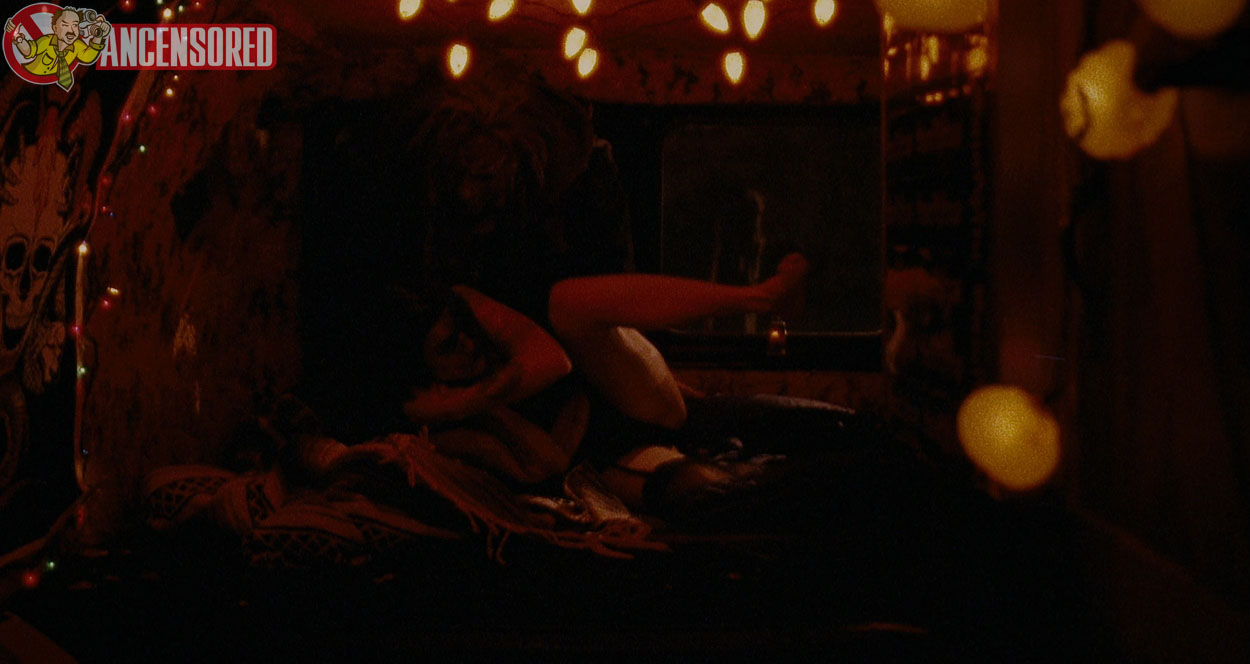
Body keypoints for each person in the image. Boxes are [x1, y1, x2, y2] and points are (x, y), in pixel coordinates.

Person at [394, 253, 810, 513]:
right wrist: (477, 406)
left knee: (567, 304)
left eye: (464, 329)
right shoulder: (444, 423)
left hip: (635, 404)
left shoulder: (495, 344)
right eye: (449, 347)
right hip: (613, 458)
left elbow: (557, 364)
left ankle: (758, 298)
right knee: (697, 489)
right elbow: (548, 463)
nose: (468, 344)